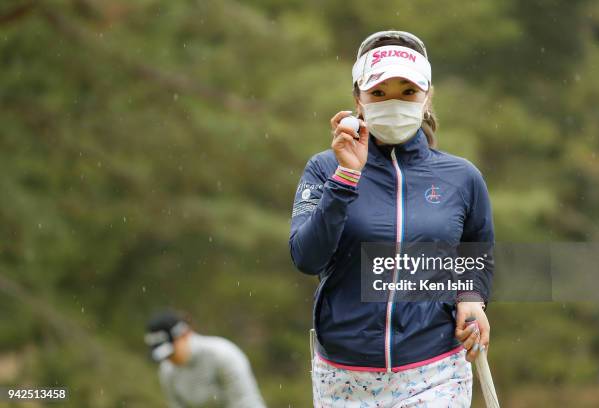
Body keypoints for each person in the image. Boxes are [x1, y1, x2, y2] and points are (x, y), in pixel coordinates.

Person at [289, 30, 495, 407]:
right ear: (358, 98)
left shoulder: (461, 176)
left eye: (407, 92)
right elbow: (307, 257)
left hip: (435, 367)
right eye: (379, 93)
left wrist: (471, 296)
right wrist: (346, 177)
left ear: (426, 95)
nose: (393, 103)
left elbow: (476, 249)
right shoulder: (324, 169)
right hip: (344, 371)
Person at [144, 310, 266, 408]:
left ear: (184, 334)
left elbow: (246, 403)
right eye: (165, 356)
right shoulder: (167, 371)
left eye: (171, 352)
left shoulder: (223, 355)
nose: (169, 359)